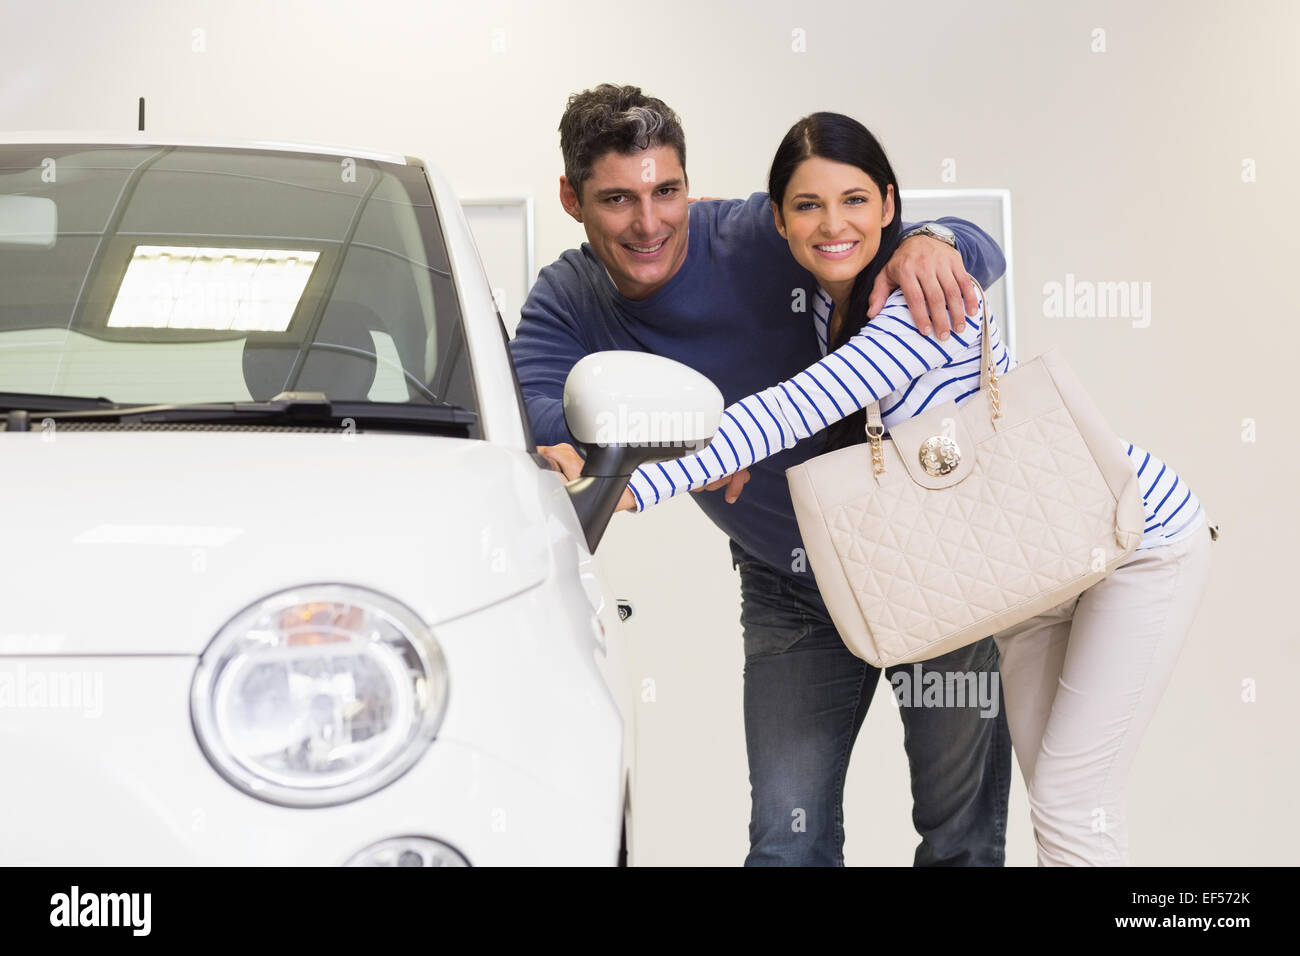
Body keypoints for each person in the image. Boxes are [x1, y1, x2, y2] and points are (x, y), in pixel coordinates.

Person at [615, 111, 1215, 867]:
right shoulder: (833, 309)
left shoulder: (915, 308)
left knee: (1070, 802)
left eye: (855, 200)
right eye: (808, 205)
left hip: (1133, 544)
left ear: (891, 206)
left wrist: (630, 486)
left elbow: (789, 410)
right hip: (1028, 586)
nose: (834, 223)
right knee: (1060, 801)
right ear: (780, 222)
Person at [510, 84, 1012, 866]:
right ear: (572, 199)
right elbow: (528, 406)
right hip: (790, 580)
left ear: (688, 182)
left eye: (666, 191)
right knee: (787, 842)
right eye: (617, 199)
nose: (650, 223)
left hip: (933, 563)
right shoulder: (569, 299)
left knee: (964, 843)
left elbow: (956, 250)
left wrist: (938, 239)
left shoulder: (757, 229)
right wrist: (670, 442)